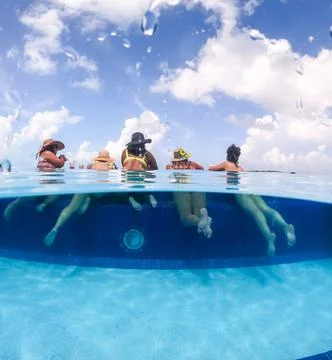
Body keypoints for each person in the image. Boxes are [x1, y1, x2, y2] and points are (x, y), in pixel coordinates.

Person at [209, 144, 296, 256]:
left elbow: (210, 169)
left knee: (256, 212)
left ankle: (269, 236)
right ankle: (286, 227)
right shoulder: (240, 168)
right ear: (238, 156)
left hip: (240, 192)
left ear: (228, 154)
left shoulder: (226, 164)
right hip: (250, 190)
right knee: (266, 208)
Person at [43, 150, 118, 247]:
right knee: (101, 193)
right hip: (99, 191)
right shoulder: (111, 166)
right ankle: (89, 199)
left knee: (71, 207)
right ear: (109, 159)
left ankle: (55, 228)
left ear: (98, 158)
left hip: (86, 187)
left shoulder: (92, 165)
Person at [4, 139, 67, 221]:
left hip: (47, 179)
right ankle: (13, 204)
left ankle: (42, 205)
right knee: (31, 196)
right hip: (44, 179)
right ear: (49, 147)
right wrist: (62, 158)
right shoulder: (47, 153)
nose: (57, 149)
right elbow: (59, 164)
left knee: (57, 189)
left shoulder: (48, 154)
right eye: (56, 146)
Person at [166, 148, 212, 239]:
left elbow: (169, 177)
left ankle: (204, 223)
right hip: (197, 187)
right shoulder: (193, 164)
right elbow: (202, 170)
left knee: (186, 219)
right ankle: (205, 222)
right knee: (199, 214)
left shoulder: (170, 166)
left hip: (181, 188)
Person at [121, 132, 158, 210]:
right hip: (142, 177)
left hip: (128, 178)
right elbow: (155, 170)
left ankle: (130, 197)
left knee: (126, 180)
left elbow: (123, 165)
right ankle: (150, 195)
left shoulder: (125, 152)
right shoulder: (148, 154)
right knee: (149, 176)